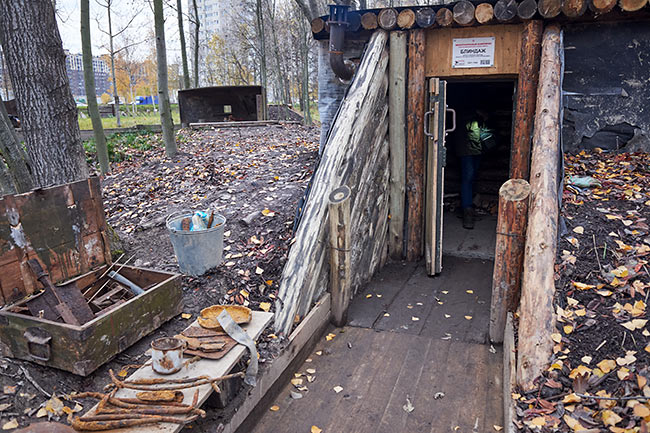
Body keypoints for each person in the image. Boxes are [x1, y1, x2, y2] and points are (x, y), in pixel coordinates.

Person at [456, 109, 493, 230]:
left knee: (470, 178)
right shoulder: (465, 114)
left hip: (477, 149)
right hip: (466, 149)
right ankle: (467, 211)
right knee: (468, 178)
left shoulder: (478, 116)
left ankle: (467, 207)